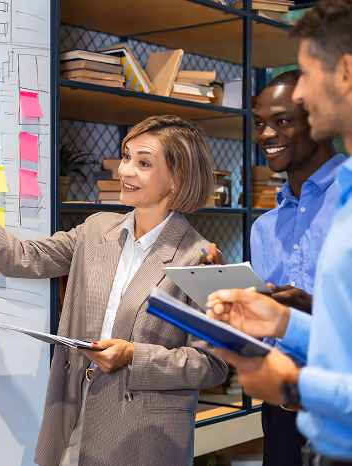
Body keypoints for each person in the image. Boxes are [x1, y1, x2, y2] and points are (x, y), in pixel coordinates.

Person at [0, 115, 228, 466]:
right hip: (73, 415)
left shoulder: (199, 258)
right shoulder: (96, 230)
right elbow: (20, 258)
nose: (125, 171)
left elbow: (211, 365)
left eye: (144, 163)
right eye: (126, 157)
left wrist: (133, 355)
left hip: (142, 437)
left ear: (176, 180)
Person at [205, 1, 352, 463]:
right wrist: (276, 320)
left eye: (306, 72)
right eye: (260, 123)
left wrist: (294, 381)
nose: (303, 91)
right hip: (300, 419)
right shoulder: (270, 223)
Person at [251, 69, 345, 466]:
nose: (266, 135)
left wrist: (316, 313)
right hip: (281, 412)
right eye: (259, 123)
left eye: (282, 120)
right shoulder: (263, 228)